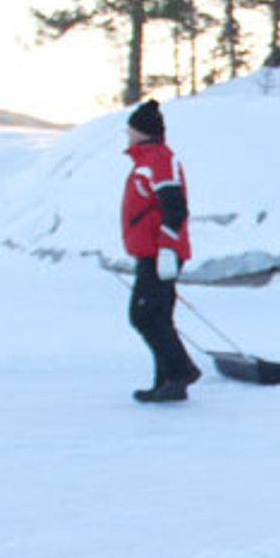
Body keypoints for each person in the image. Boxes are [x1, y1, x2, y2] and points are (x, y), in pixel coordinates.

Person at [121, 99, 200, 403]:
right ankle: (167, 382)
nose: (127, 134)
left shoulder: (157, 159)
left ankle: (181, 371)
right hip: (152, 253)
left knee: (144, 316)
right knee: (158, 316)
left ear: (142, 132)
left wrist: (167, 249)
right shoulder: (147, 160)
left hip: (159, 254)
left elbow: (176, 208)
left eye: (131, 129)